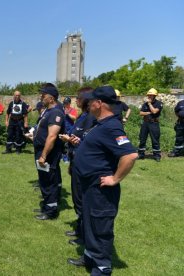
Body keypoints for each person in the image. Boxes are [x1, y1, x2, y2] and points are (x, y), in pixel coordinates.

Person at [68, 86, 138, 276]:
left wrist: (115, 179)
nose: (88, 105)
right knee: (90, 225)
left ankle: (101, 268)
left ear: (99, 104)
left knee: (100, 228)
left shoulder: (112, 126)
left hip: (101, 191)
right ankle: (90, 257)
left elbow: (130, 155)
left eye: (91, 102)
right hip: (89, 187)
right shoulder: (101, 124)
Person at [59, 87, 95, 246]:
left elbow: (88, 142)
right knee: (77, 198)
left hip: (84, 165)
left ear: (86, 99)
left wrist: (71, 140)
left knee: (82, 201)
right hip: (75, 161)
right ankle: (80, 229)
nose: (76, 101)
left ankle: (84, 236)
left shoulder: (91, 118)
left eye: (78, 98)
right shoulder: (83, 116)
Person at [32, 86, 65, 220]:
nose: (41, 97)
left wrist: (44, 155)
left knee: (48, 181)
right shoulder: (48, 111)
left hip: (48, 153)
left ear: (51, 98)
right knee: (44, 179)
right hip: (41, 150)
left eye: (43, 95)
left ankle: (51, 211)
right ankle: (46, 206)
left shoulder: (56, 113)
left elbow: (52, 136)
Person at [137, 88, 163, 161]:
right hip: (145, 123)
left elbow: (154, 111)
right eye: (148, 95)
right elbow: (140, 113)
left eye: (151, 95)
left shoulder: (159, 103)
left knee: (155, 139)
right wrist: (148, 113)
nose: (149, 96)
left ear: (155, 96)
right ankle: (141, 154)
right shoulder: (144, 104)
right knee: (142, 139)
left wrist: (149, 104)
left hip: (154, 123)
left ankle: (157, 155)